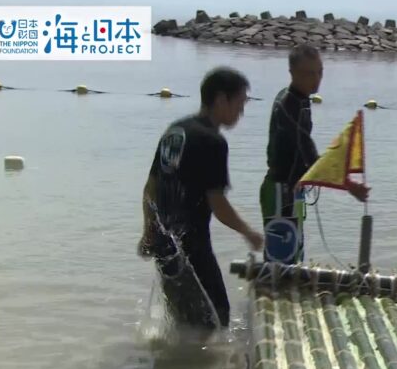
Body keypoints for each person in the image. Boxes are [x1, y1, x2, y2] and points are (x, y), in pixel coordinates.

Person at [137, 67, 263, 328]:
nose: (241, 113)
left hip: (165, 243)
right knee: (217, 318)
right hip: (191, 244)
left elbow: (150, 187)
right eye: (239, 104)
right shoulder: (213, 142)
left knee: (182, 316)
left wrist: (149, 231)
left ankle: (172, 363)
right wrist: (248, 232)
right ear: (220, 100)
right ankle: (200, 366)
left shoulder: (176, 130)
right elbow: (218, 204)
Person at [260, 43, 369, 264]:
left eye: (320, 72)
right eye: (309, 73)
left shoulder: (301, 99)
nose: (317, 78)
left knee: (294, 258)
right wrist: (349, 185)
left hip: (293, 191)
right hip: (281, 191)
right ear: (292, 73)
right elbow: (309, 155)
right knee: (280, 266)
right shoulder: (289, 104)